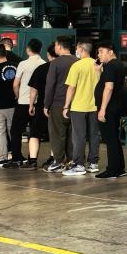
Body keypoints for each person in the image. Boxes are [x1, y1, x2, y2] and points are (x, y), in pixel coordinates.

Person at [62, 40, 100, 176]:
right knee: (94, 135)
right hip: (94, 106)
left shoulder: (76, 66)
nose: (76, 51)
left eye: (77, 49)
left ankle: (79, 165)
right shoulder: (97, 65)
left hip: (78, 107)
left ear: (81, 50)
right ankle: (93, 163)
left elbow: (71, 87)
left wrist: (66, 106)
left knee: (79, 137)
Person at [7, 38, 45, 167]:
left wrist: (18, 96)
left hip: (23, 101)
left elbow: (15, 84)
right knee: (35, 132)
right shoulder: (44, 64)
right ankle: (32, 159)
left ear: (28, 49)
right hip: (38, 103)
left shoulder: (23, 64)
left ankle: (17, 158)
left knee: (16, 130)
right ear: (40, 50)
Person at [94, 42, 127, 178]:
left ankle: (113, 169)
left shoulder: (110, 66)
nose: (99, 55)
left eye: (101, 51)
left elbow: (109, 87)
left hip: (109, 108)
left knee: (110, 139)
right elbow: (104, 84)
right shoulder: (118, 65)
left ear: (110, 51)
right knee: (113, 138)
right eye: (98, 52)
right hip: (114, 106)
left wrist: (102, 109)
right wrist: (98, 72)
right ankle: (119, 168)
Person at [43, 36, 77, 172]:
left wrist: (46, 104)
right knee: (73, 134)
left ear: (59, 46)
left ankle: (58, 162)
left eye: (56, 45)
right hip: (75, 104)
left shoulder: (55, 63)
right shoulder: (78, 61)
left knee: (57, 134)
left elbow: (50, 85)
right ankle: (72, 161)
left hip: (58, 103)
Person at [24, 44, 52, 169]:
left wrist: (31, 105)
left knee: (35, 133)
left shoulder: (41, 68)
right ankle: (53, 159)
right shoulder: (66, 67)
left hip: (41, 105)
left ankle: (32, 160)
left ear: (48, 54)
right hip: (58, 106)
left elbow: (33, 89)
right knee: (55, 134)